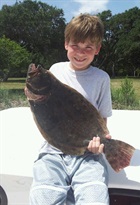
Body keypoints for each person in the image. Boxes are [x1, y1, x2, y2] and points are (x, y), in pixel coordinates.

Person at [30, 13, 112, 205]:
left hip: (87, 154)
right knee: (43, 198)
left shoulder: (101, 79)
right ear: (66, 44)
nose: (80, 53)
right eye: (75, 45)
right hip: (53, 151)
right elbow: (45, 112)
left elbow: (102, 119)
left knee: (95, 198)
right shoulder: (55, 71)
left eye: (88, 47)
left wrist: (98, 142)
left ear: (97, 49)